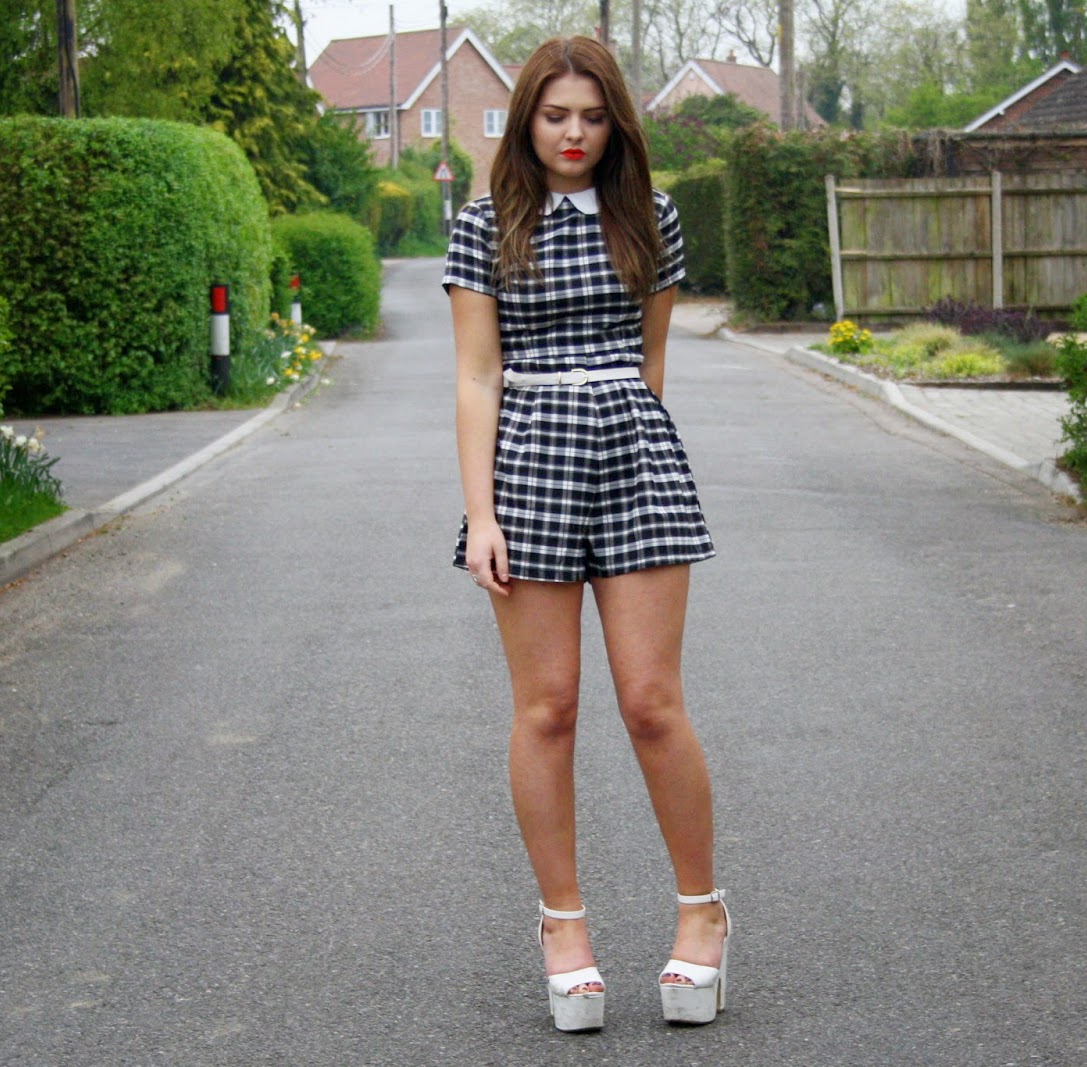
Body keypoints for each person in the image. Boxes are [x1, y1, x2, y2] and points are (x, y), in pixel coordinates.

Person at [442, 35, 729, 1032]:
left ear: (617, 125)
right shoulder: (484, 226)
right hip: (528, 462)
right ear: (527, 118)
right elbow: (476, 374)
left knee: (651, 702)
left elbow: (652, 362)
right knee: (547, 707)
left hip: (632, 454)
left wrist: (636, 447)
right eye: (556, 114)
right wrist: (482, 514)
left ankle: (701, 911)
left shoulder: (650, 216)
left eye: (594, 117)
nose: (574, 133)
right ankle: (563, 926)